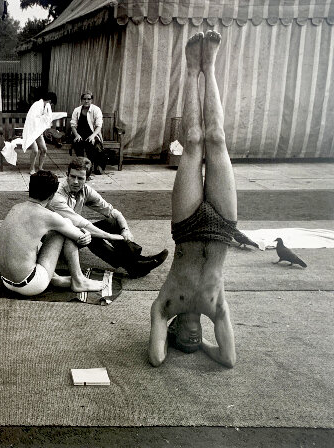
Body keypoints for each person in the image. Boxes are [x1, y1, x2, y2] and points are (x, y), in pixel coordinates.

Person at [149, 30, 248, 368]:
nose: (190, 339)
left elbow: (156, 357)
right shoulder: (215, 306)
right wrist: (205, 345)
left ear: (173, 330)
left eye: (183, 341)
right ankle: (212, 68)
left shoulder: (166, 305)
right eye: (194, 339)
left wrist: (162, 332)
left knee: (193, 142)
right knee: (217, 139)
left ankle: (193, 70)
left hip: (188, 226)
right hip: (222, 228)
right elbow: (229, 359)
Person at [0, 170, 125, 297]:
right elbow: (79, 235)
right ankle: (79, 280)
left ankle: (55, 278)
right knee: (66, 225)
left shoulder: (15, 208)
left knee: (36, 238)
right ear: (52, 196)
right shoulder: (48, 216)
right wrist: (86, 233)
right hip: (30, 284)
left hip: (7, 282)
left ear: (30, 189)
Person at [47, 157, 169, 278]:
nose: (75, 181)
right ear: (67, 175)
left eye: (80, 178)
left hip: (74, 232)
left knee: (112, 222)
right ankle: (134, 267)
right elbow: (81, 223)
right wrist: (111, 237)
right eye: (72, 176)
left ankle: (138, 259)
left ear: (87, 179)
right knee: (91, 235)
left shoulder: (85, 190)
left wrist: (125, 230)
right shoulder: (57, 194)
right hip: (55, 240)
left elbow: (112, 212)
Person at [70, 91, 107, 175]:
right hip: (79, 134)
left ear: (91, 100)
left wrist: (93, 136)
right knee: (78, 143)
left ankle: (93, 166)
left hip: (92, 134)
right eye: (84, 99)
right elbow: (73, 125)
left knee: (92, 144)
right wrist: (76, 135)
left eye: (88, 99)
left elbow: (98, 126)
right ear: (81, 100)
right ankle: (81, 166)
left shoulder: (96, 110)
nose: (86, 101)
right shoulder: (77, 110)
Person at [23, 91, 58, 175]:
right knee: (35, 150)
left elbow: (45, 118)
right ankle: (31, 168)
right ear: (49, 101)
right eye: (51, 104)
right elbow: (33, 120)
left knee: (44, 149)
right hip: (30, 131)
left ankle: (40, 168)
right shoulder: (37, 105)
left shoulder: (43, 106)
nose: (51, 106)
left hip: (37, 131)